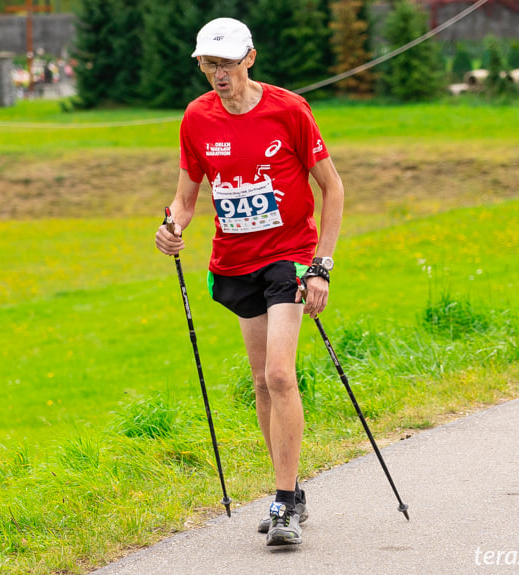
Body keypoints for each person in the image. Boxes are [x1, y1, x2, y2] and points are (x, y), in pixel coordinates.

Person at [155, 17, 344, 547]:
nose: (218, 74)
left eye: (227, 63)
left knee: (282, 375)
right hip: (235, 262)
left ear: (250, 59)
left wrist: (321, 265)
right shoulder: (197, 118)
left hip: (288, 257)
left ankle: (283, 503)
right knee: (261, 381)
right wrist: (171, 227)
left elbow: (333, 189)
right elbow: (187, 199)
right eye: (208, 64)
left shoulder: (289, 110)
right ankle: (292, 491)